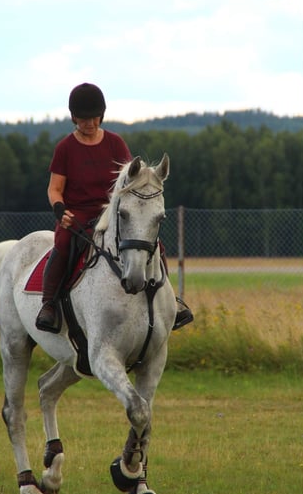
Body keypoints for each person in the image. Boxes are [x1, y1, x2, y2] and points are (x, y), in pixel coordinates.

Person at [35, 82, 193, 333]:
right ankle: (49, 304)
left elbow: (131, 181)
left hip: (113, 212)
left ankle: (169, 301)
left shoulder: (116, 143)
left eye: (95, 117)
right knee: (63, 244)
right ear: (74, 117)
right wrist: (59, 209)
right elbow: (54, 188)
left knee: (154, 244)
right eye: (84, 119)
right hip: (77, 215)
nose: (90, 123)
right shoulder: (65, 148)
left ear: (102, 115)